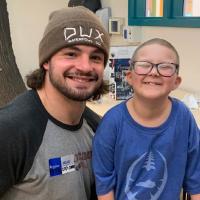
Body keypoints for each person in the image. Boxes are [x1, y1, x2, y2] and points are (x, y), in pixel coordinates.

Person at [0, 6, 110, 200]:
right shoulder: (10, 132)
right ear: (46, 61)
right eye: (71, 54)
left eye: (95, 57)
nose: (85, 66)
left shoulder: (98, 129)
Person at [92, 38, 200, 200]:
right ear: (129, 77)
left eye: (165, 67)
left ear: (176, 82)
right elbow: (104, 183)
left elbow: (195, 177)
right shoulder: (112, 123)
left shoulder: (183, 117)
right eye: (144, 65)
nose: (154, 72)